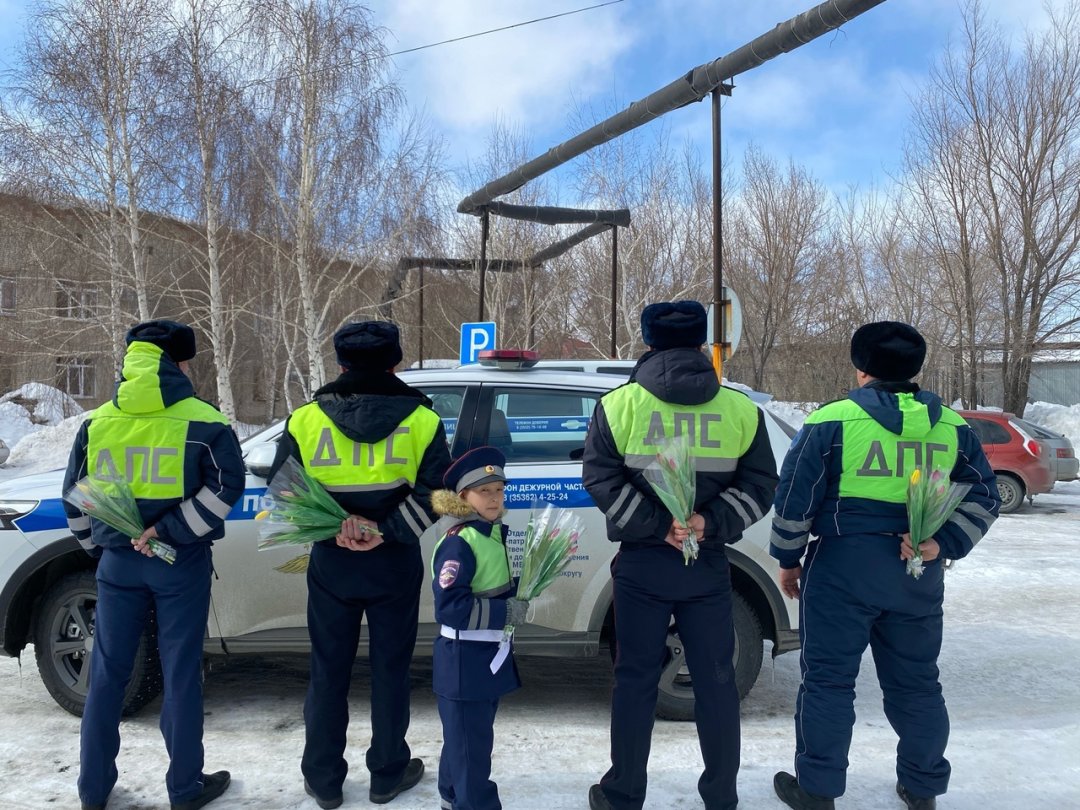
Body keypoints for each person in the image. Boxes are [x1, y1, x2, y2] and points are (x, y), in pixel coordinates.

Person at [769, 322, 1000, 810]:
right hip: (916, 567)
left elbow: (794, 500)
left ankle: (817, 788)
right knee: (917, 683)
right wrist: (944, 543)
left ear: (862, 369)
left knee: (829, 682)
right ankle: (922, 788)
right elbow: (985, 495)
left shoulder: (833, 420)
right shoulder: (952, 427)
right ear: (916, 368)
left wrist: (788, 560)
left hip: (842, 568)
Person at [582, 300, 780, 810]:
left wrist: (656, 527)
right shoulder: (739, 409)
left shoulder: (618, 405)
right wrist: (706, 523)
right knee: (716, 681)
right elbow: (760, 485)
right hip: (708, 563)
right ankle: (721, 796)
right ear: (701, 342)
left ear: (648, 342)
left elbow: (600, 479)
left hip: (643, 563)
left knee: (635, 679)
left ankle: (623, 793)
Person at [266, 320, 450, 809]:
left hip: (332, 562)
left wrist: (337, 528)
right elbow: (436, 494)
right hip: (393, 562)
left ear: (341, 363)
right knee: (391, 669)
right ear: (395, 362)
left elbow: (284, 492)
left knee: (328, 669)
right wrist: (382, 531)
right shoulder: (424, 420)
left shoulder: (306, 420)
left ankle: (324, 779)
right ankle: (387, 774)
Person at [63, 320, 246, 810]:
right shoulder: (204, 420)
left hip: (119, 564)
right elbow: (227, 487)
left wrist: (102, 547)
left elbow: (76, 497)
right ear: (179, 364)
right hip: (178, 564)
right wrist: (169, 531)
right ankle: (185, 788)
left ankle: (92, 789)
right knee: (182, 672)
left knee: (107, 675)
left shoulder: (98, 421)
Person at [429, 446, 529, 810]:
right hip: (464, 659)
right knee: (473, 747)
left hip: (484, 656)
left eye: (499, 489)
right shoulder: (459, 542)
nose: (494, 497)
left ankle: (451, 794)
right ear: (463, 497)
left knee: (464, 737)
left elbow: (489, 586)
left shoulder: (489, 532)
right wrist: (505, 611)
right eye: (484, 491)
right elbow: (452, 608)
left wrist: (520, 591)